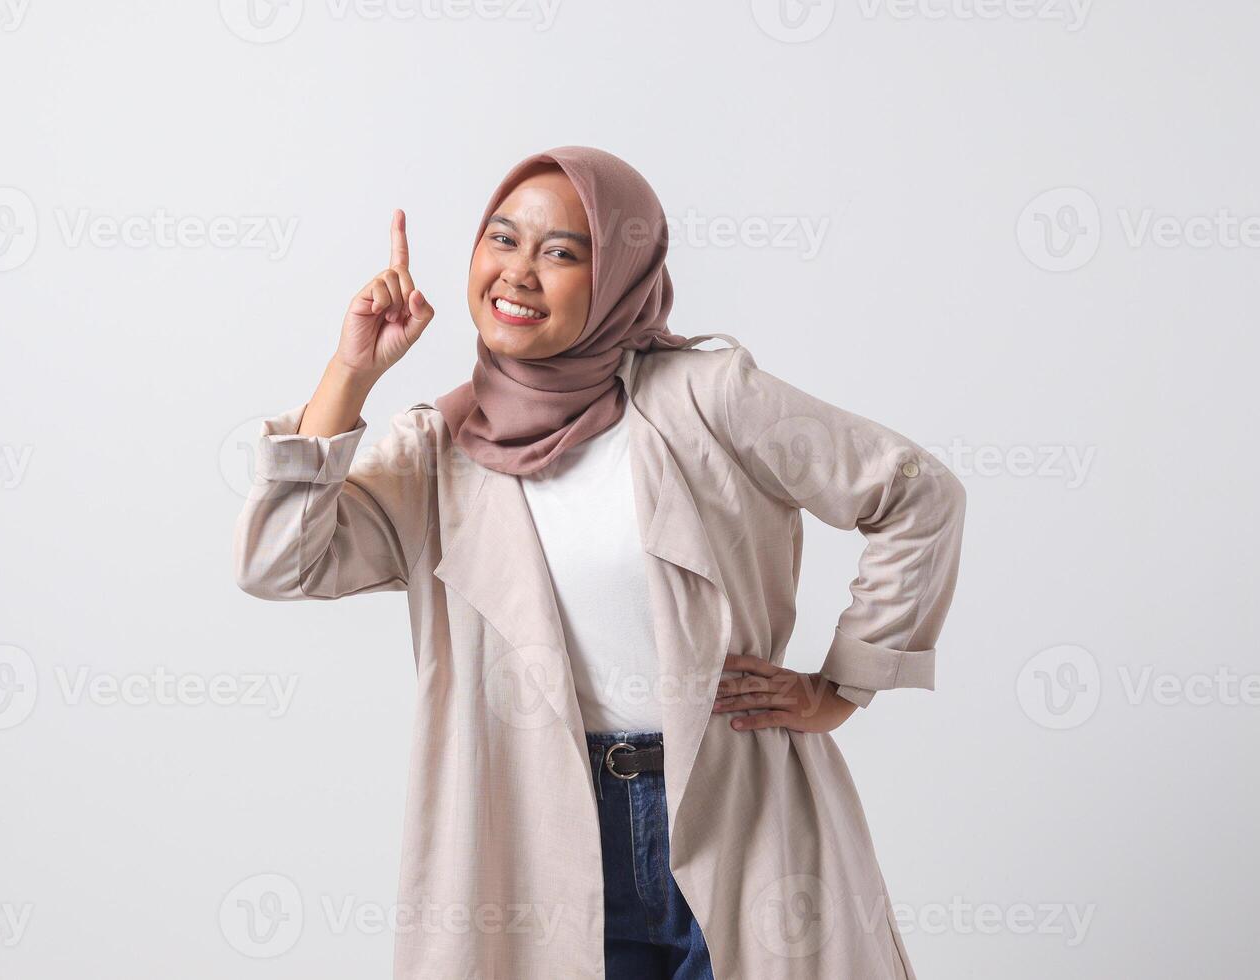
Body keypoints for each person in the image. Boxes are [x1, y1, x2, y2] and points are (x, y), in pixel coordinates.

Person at [232, 145, 967, 979]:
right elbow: (278, 562)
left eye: (561, 252)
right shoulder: (439, 450)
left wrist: (844, 683)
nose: (519, 274)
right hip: (537, 824)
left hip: (738, 809)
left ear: (621, 272)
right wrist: (350, 374)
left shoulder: (709, 398)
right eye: (502, 240)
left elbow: (916, 494)